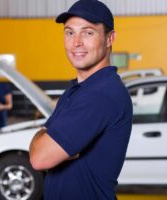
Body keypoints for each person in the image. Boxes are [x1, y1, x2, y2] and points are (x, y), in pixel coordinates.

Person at [29, 0, 133, 199]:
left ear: (110, 38)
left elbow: (39, 158)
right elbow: (44, 146)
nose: (76, 42)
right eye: (70, 33)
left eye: (88, 32)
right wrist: (48, 138)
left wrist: (45, 135)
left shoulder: (102, 94)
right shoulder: (77, 91)